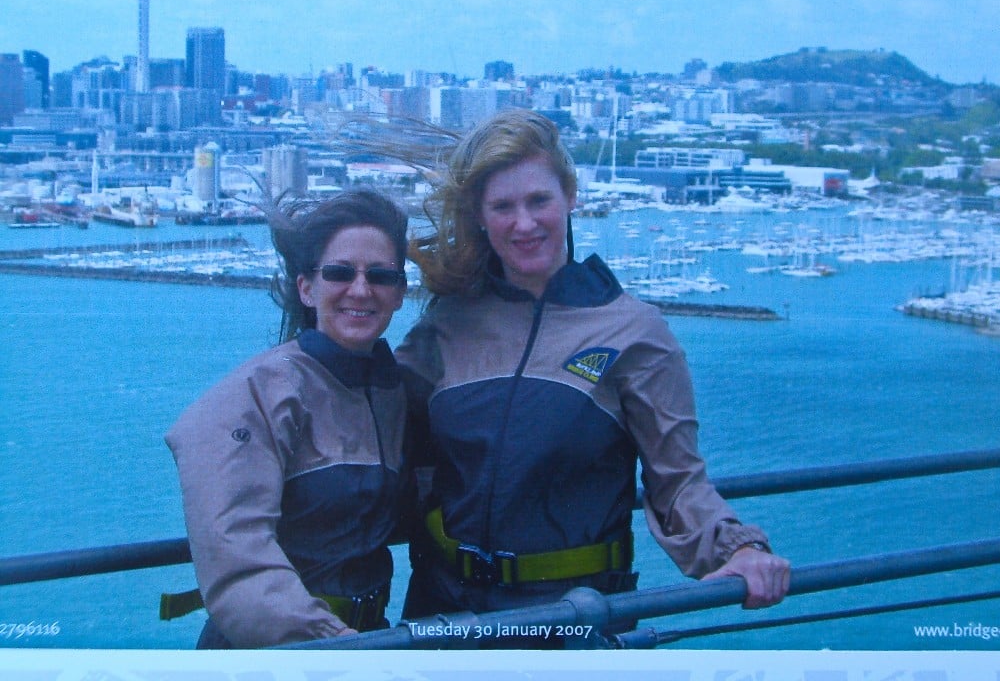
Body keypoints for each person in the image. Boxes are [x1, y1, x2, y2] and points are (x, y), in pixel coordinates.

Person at [393, 109, 790, 643]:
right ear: (480, 218)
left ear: (570, 197)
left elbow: (677, 481)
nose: (525, 223)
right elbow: (382, 430)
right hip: (443, 614)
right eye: (503, 206)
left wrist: (737, 548)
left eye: (539, 201)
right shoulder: (446, 324)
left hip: (573, 621)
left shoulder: (634, 330)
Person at [164, 188, 410, 649]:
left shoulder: (393, 390)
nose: (361, 289)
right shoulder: (253, 394)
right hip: (278, 650)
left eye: (380, 275)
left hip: (368, 636)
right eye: (339, 272)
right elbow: (236, 555)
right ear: (306, 287)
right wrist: (337, 644)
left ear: (399, 293)